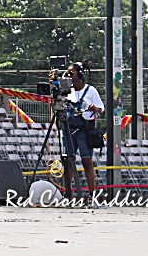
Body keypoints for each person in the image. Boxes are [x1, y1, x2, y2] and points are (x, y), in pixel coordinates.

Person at [63, 61, 104, 203]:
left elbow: (100, 111)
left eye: (71, 73)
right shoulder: (67, 91)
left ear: (79, 74)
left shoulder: (90, 91)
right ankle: (67, 194)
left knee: (87, 161)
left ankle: (91, 194)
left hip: (84, 129)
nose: (68, 76)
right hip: (69, 129)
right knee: (67, 162)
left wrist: (94, 109)